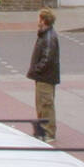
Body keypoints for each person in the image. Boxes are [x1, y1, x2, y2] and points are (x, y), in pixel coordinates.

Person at [27, 8, 61, 142]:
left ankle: (49, 133)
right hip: (43, 77)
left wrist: (37, 70)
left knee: (46, 105)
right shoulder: (45, 34)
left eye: (39, 18)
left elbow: (47, 58)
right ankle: (42, 129)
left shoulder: (49, 37)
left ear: (44, 21)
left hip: (45, 77)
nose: (37, 21)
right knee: (41, 104)